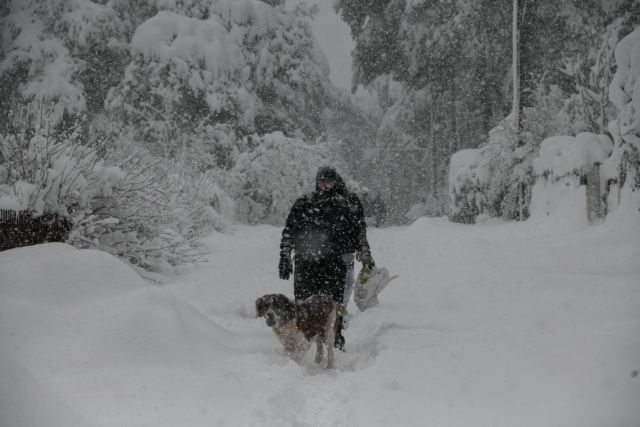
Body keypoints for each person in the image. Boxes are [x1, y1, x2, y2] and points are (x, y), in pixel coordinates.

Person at [279, 166, 375, 351]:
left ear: (335, 181)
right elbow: (289, 232)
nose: (325, 185)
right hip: (305, 262)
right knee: (303, 303)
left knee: (333, 304)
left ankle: (335, 336)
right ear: (317, 182)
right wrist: (284, 257)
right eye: (322, 181)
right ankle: (303, 339)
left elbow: (359, 231)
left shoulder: (347, 203)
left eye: (329, 181)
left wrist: (365, 253)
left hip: (334, 263)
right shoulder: (304, 203)